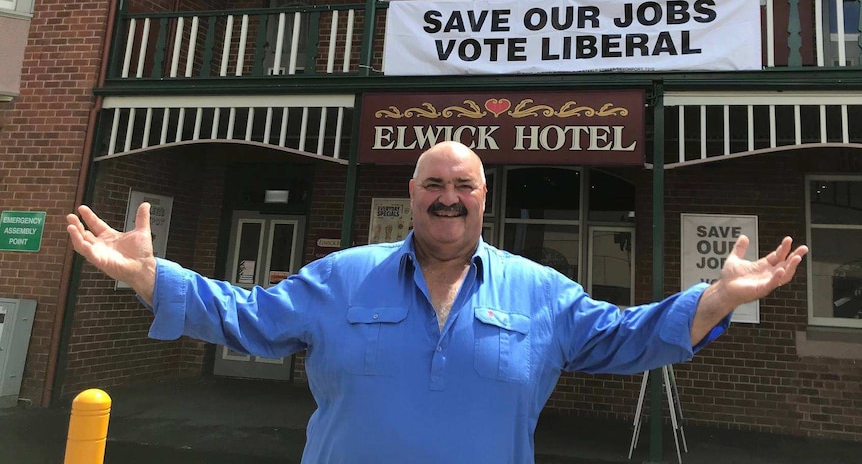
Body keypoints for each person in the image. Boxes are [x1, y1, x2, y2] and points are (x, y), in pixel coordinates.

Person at [66, 141, 808, 464]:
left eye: (464, 186)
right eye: (432, 184)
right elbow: (246, 317)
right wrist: (151, 275)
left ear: (487, 199)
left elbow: (629, 336)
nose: (448, 197)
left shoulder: (542, 291)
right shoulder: (339, 277)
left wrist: (714, 297)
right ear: (411, 195)